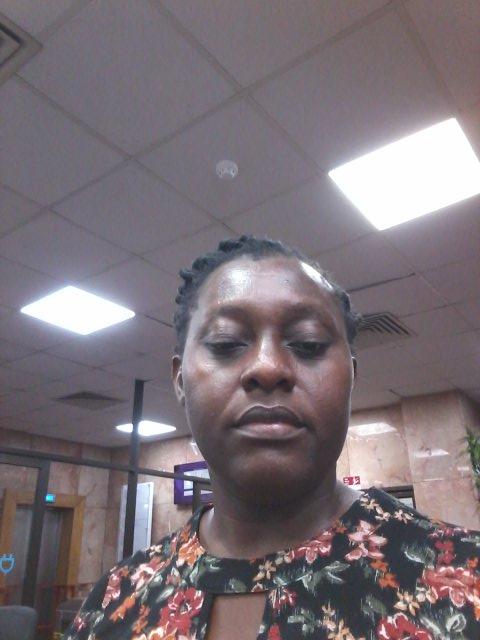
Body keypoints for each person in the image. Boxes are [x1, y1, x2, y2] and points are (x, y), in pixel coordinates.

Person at [65, 236, 480, 640]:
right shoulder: (114, 603)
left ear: (352, 377)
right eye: (227, 342)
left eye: (308, 344)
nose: (267, 367)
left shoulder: (464, 580)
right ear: (179, 380)